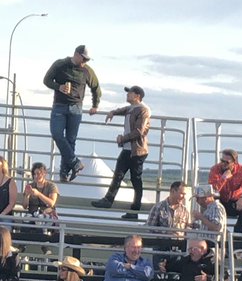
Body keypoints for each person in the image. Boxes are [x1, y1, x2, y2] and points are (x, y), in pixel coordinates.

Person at [43, 44, 101, 182]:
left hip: (76, 107)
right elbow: (46, 80)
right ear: (76, 54)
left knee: (70, 140)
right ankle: (75, 163)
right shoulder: (60, 64)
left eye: (87, 60)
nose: (85, 62)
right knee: (57, 134)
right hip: (59, 105)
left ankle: (64, 172)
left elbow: (96, 88)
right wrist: (59, 87)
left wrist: (95, 105)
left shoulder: (87, 71)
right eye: (83, 58)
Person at [91, 86, 151, 218]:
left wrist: (122, 138)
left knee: (136, 179)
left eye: (130, 93)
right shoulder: (132, 108)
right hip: (128, 149)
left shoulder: (143, 110)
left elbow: (139, 131)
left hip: (137, 151)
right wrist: (113, 112)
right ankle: (108, 200)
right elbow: (124, 109)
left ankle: (135, 209)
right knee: (118, 175)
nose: (127, 94)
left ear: (137, 96)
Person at [209, 148, 242, 233]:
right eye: (222, 160)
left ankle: (238, 232)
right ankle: (218, 231)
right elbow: (213, 189)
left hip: (236, 202)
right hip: (220, 200)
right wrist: (223, 178)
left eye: (227, 162)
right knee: (211, 201)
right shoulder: (215, 169)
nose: (223, 164)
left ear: (234, 162)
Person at [23, 162, 58, 228]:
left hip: (47, 214)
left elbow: (51, 203)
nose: (36, 176)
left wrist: (38, 194)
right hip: (32, 214)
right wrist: (27, 195)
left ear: (44, 174)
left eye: (38, 174)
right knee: (25, 224)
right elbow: (25, 206)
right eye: (34, 174)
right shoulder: (30, 186)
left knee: (44, 223)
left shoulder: (51, 186)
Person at [0, 156, 18, 226]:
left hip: (5, 215)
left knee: (5, 231)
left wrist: (2, 214)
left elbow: (12, 203)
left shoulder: (10, 182)